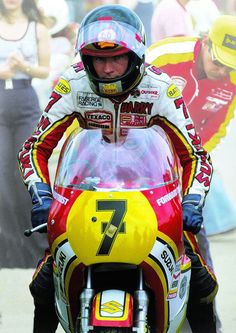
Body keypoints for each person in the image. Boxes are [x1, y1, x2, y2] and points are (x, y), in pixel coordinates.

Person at [18, 4, 218, 333]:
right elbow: (36, 147)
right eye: (99, 59)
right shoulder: (72, 84)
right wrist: (41, 195)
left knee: (201, 281)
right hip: (85, 196)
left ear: (136, 56)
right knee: (42, 283)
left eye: (117, 58)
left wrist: (193, 201)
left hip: (151, 197)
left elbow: (195, 155)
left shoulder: (162, 88)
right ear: (86, 60)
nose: (108, 69)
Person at [147, 14, 236, 331]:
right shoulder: (164, 56)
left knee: (196, 241)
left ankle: (206, 320)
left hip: (184, 167)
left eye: (231, 67)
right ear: (207, 42)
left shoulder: (232, 83)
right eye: (220, 62)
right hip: (138, 159)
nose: (224, 72)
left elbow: (215, 131)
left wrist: (188, 164)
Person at [0, 0, 50, 268]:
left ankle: (35, 250)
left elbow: (45, 69)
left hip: (25, 100)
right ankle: (7, 253)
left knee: (26, 173)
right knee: (1, 181)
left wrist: (23, 67)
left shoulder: (37, 28)